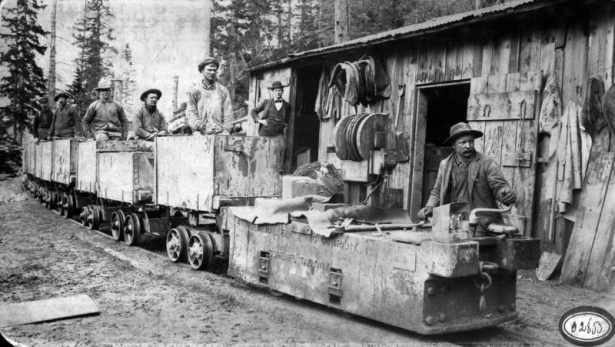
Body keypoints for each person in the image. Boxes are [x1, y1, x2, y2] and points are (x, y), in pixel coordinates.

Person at [417, 122, 517, 228]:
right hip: (453, 221)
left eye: (471, 141)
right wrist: (430, 207)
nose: (468, 146)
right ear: (453, 145)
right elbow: (437, 192)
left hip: (480, 222)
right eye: (463, 142)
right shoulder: (445, 164)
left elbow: (499, 187)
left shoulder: (486, 162)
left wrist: (505, 194)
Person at [186, 57, 233, 135]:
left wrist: (226, 130)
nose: (212, 72)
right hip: (200, 133)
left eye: (214, 70)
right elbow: (191, 112)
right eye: (209, 70)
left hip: (219, 133)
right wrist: (202, 128)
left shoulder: (223, 90)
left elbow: (228, 112)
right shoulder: (194, 90)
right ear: (202, 71)